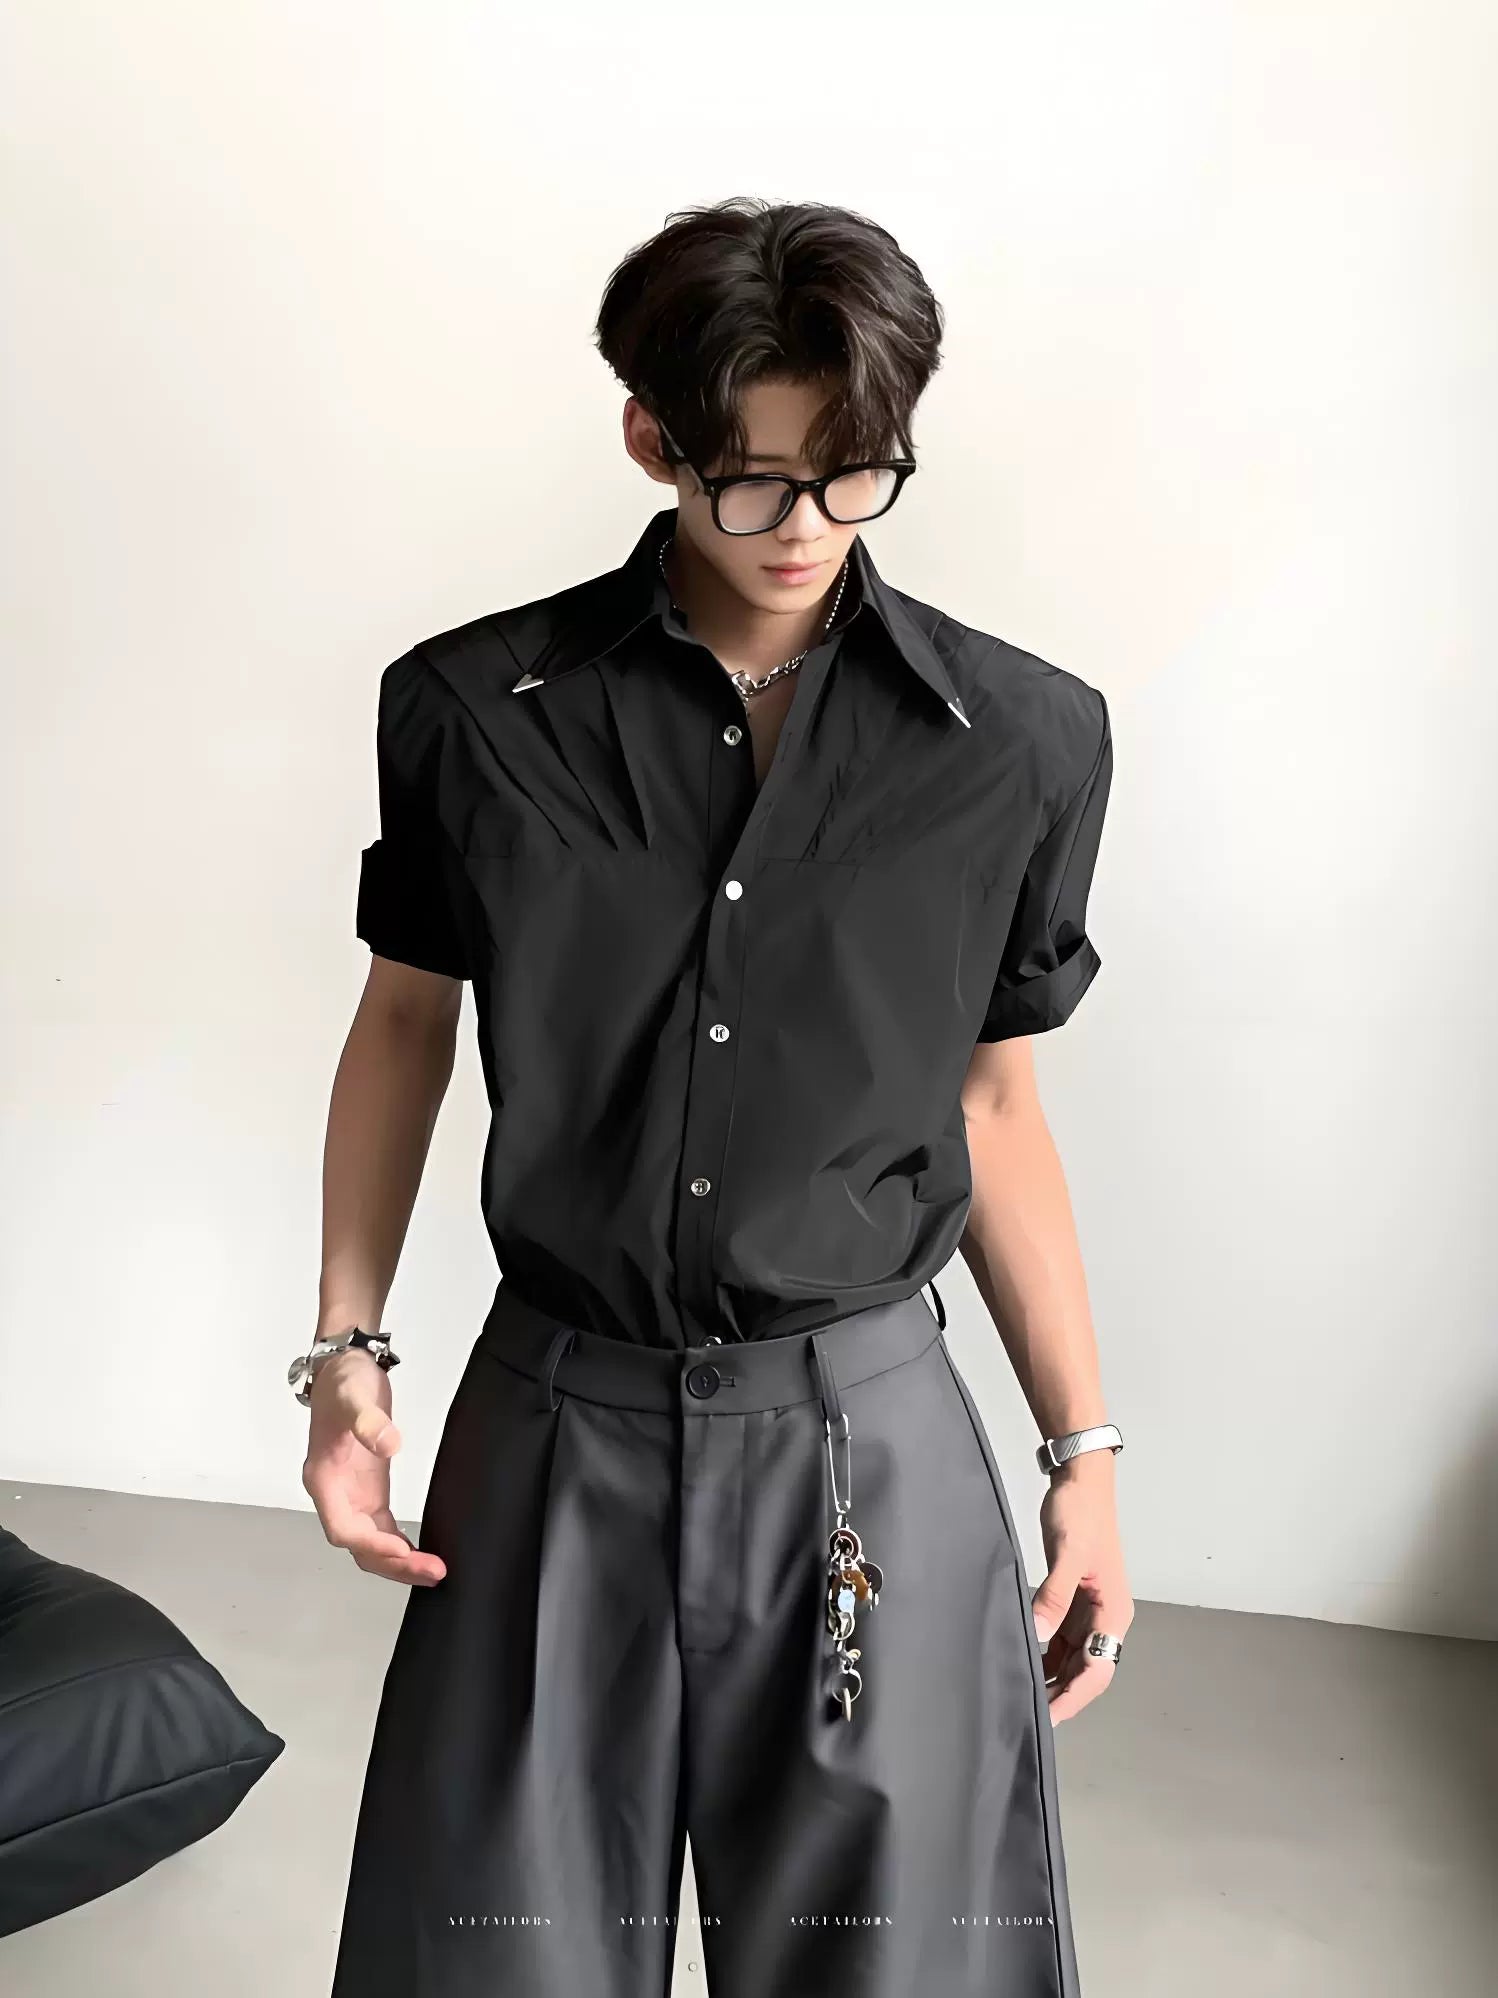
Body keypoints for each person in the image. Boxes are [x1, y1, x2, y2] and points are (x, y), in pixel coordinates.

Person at [297, 196, 1133, 1998]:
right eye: (752, 482)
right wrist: (346, 1350)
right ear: (651, 439)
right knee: (487, 1964)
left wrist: (1083, 1456)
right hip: (553, 1433)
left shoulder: (1021, 741)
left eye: (855, 476)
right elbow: (404, 1023)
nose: (806, 528)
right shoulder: (471, 710)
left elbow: (994, 1108)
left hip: (869, 1451)